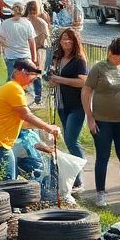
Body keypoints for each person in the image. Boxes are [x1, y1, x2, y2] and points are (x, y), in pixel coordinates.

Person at [82, 36, 120, 209]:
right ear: (110, 52)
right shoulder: (98, 68)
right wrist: (90, 117)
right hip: (102, 120)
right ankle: (100, 194)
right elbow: (86, 93)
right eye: (118, 56)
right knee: (103, 156)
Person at [0, 59, 61, 180]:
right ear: (22, 72)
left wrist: (45, 128)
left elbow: (24, 123)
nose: (33, 80)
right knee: (8, 184)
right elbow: (26, 115)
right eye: (32, 75)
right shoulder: (14, 89)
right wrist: (49, 128)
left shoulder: (12, 87)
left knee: (3, 180)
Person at [49, 28, 89, 197]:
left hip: (76, 106)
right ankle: (73, 177)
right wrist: (52, 81)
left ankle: (79, 180)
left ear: (75, 42)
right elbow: (52, 77)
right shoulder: (57, 58)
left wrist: (59, 80)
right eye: (64, 39)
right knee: (67, 139)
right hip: (61, 104)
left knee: (72, 141)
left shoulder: (79, 60)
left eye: (70, 39)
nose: (66, 42)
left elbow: (82, 82)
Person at [0, 3, 37, 82]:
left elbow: (1, 40)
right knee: (25, 81)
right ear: (23, 11)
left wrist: (3, 51)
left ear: (12, 10)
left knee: (11, 79)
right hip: (25, 55)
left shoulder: (5, 23)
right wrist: (34, 57)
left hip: (10, 55)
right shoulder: (27, 23)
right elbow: (32, 41)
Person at [25, 0, 51, 105]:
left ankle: (27, 94)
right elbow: (45, 39)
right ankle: (38, 96)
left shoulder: (23, 22)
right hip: (39, 50)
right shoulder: (42, 23)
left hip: (26, 50)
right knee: (37, 74)